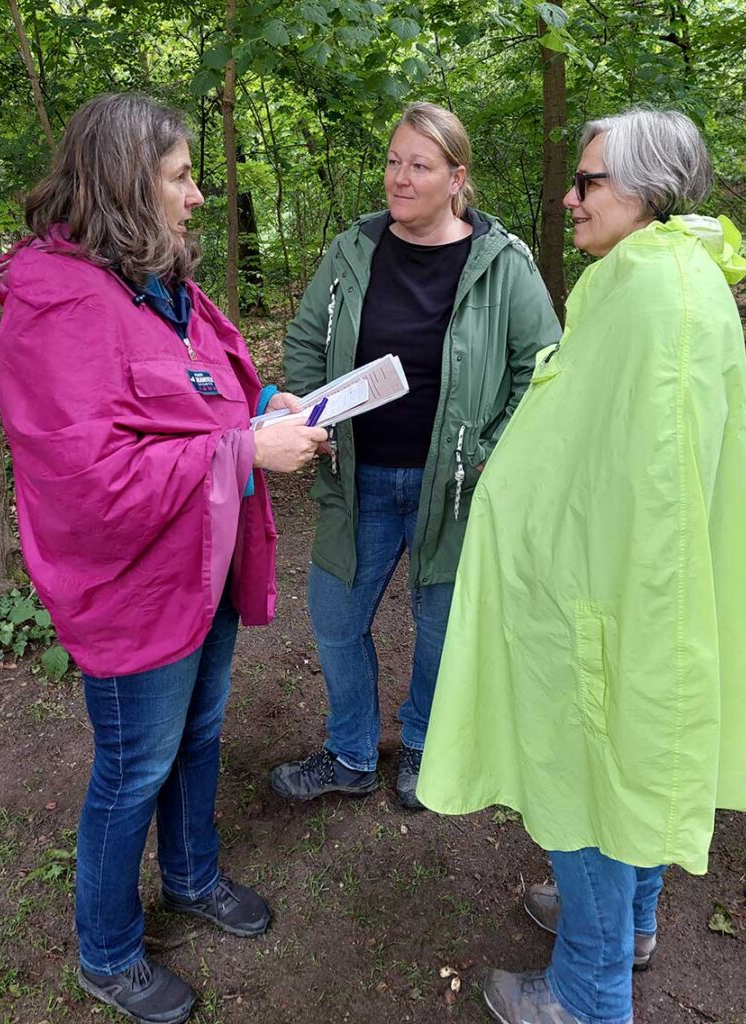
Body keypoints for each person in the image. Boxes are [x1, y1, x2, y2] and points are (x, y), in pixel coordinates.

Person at [416, 108, 746, 1024]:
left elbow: (638, 484)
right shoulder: (666, 273)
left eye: (588, 183)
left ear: (646, 192)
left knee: (591, 765)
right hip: (633, 585)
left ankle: (585, 991)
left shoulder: (653, 292)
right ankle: (624, 925)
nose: (567, 198)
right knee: (633, 762)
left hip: (615, 592)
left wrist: (545, 556)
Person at [0, 93, 326, 1024]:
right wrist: (242, 452)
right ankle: (107, 953)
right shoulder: (58, 302)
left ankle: (191, 878)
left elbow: (191, 397)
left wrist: (263, 415)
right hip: (134, 587)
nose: (200, 194)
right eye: (181, 176)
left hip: (200, 562)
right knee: (133, 769)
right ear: (128, 184)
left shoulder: (155, 278)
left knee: (199, 738)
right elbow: (84, 479)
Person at [270, 102, 562, 810]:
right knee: (336, 620)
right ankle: (350, 753)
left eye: (419, 166)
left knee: (441, 628)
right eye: (393, 161)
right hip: (356, 477)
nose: (398, 179)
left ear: (456, 177)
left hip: (454, 488)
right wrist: (300, 409)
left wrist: (495, 447)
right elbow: (309, 341)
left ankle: (427, 749)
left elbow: (545, 367)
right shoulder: (351, 250)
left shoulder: (502, 263)